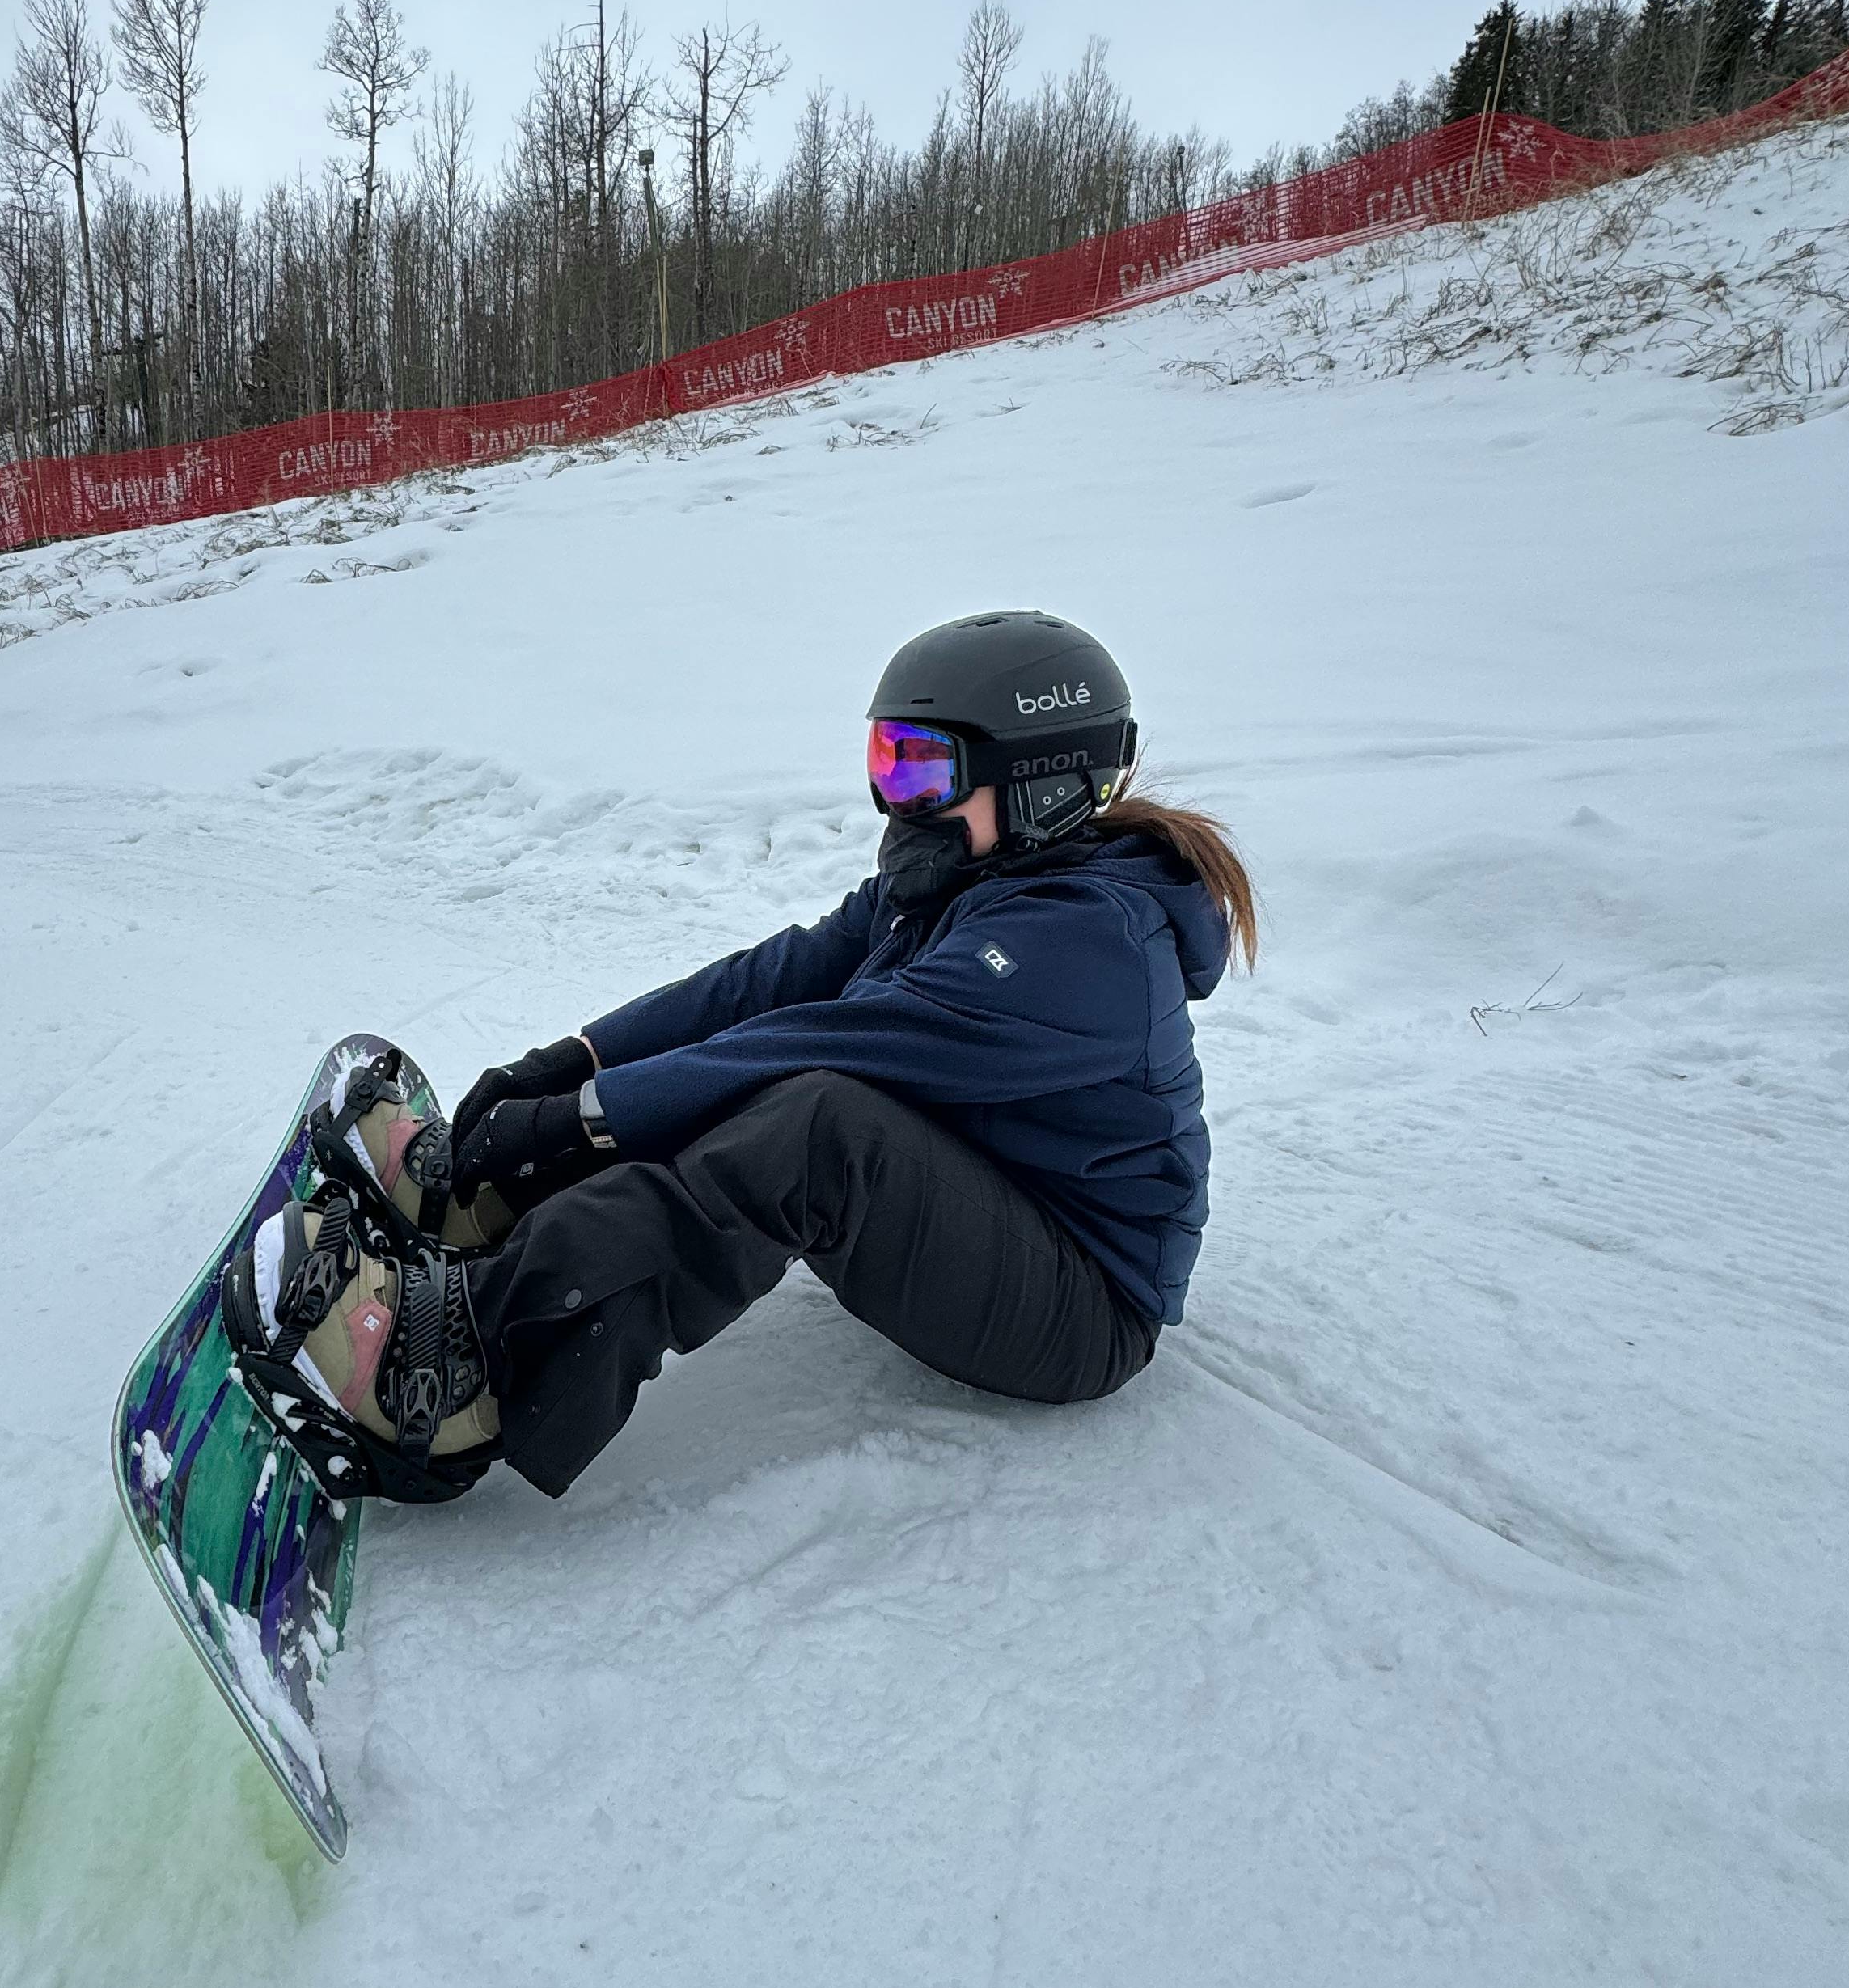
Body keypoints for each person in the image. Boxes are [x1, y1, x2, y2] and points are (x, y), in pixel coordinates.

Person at [231, 611, 1255, 1506]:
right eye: (885, 760)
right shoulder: (964, 879)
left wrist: (571, 1118)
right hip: (993, 1205)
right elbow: (772, 984)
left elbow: (813, 1048)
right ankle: (479, 1209)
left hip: (1080, 1304)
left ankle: (463, 1372)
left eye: (924, 768)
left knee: (815, 1125)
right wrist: (569, 1062)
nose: (894, 796)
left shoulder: (1085, 948)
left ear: (1040, 786)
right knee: (750, 1074)